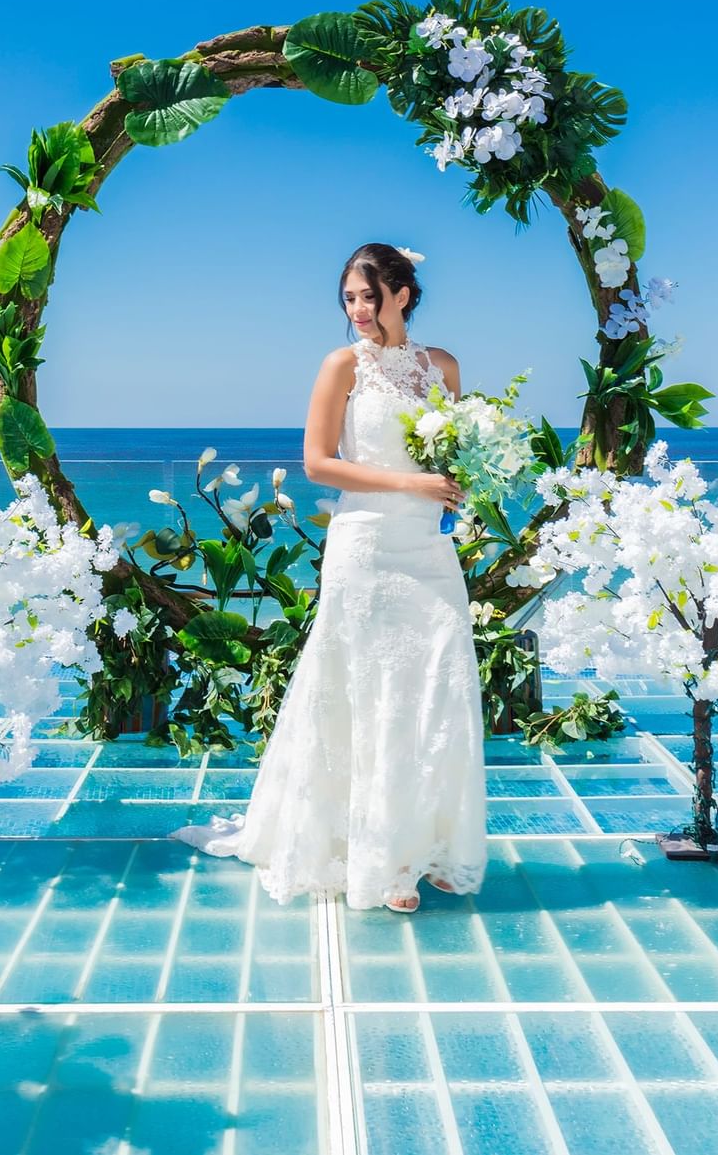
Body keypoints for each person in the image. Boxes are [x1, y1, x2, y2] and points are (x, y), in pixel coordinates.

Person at [168, 243, 488, 912]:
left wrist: (474, 481)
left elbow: (458, 455)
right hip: (367, 545)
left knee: (437, 685)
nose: (359, 310)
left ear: (403, 293)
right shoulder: (341, 366)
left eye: (370, 295)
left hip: (427, 549)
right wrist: (410, 480)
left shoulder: (445, 368)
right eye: (349, 297)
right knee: (374, 692)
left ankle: (432, 842)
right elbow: (317, 463)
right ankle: (384, 861)